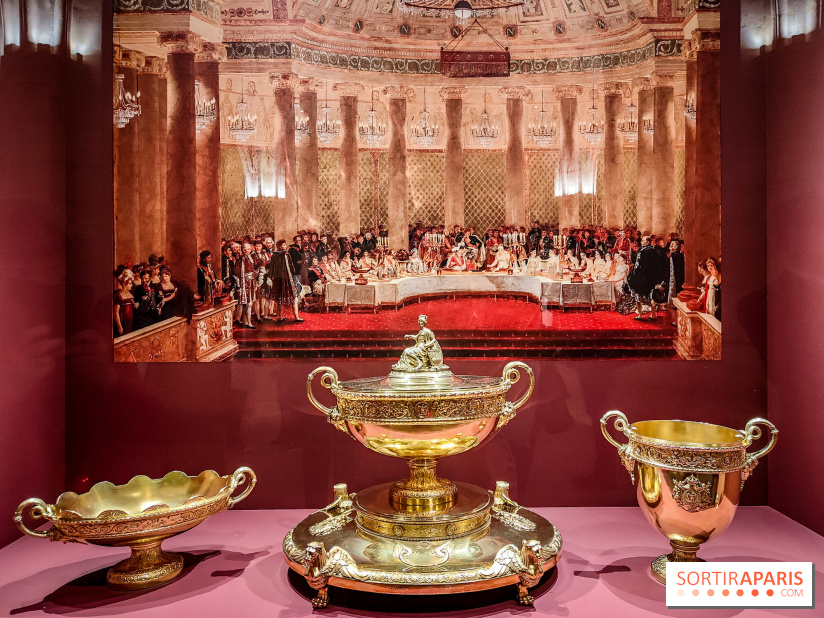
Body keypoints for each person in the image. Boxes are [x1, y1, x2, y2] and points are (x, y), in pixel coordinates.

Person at [268, 239, 303, 323]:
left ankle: (280, 317)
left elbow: (272, 270)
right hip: (287, 280)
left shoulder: (274, 256)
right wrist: (294, 278)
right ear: (280, 246)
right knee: (294, 297)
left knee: (280, 298)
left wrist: (271, 278)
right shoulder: (286, 255)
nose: (285, 246)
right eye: (283, 245)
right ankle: (296, 317)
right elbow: (291, 268)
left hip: (278, 280)